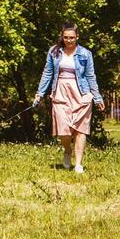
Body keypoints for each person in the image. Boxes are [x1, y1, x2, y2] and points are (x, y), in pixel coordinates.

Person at [33, 22, 104, 173]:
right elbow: (47, 73)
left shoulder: (85, 54)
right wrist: (39, 93)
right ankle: (67, 150)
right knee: (63, 129)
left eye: (72, 37)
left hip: (81, 93)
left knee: (80, 129)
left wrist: (97, 98)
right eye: (66, 37)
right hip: (60, 91)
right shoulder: (54, 52)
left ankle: (78, 164)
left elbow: (91, 76)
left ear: (77, 37)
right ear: (62, 37)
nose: (69, 40)